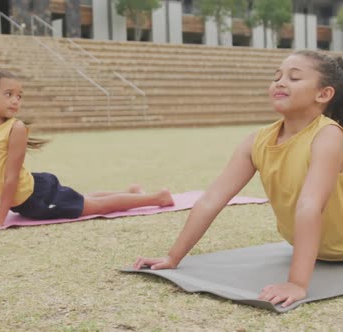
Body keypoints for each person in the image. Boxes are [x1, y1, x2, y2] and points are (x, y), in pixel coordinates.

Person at [134, 50, 343, 308]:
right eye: (276, 77)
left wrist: (297, 284)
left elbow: (309, 205)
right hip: (322, 250)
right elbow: (212, 199)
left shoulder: (329, 136)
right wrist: (172, 257)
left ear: (323, 94)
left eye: (294, 78)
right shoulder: (257, 140)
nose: (279, 82)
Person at [0, 70, 174, 230]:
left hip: (36, 198)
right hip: (27, 195)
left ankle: (158, 198)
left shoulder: (16, 128)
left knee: (97, 206)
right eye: (9, 94)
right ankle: (131, 193)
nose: (16, 100)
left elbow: (10, 179)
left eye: (20, 96)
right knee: (83, 199)